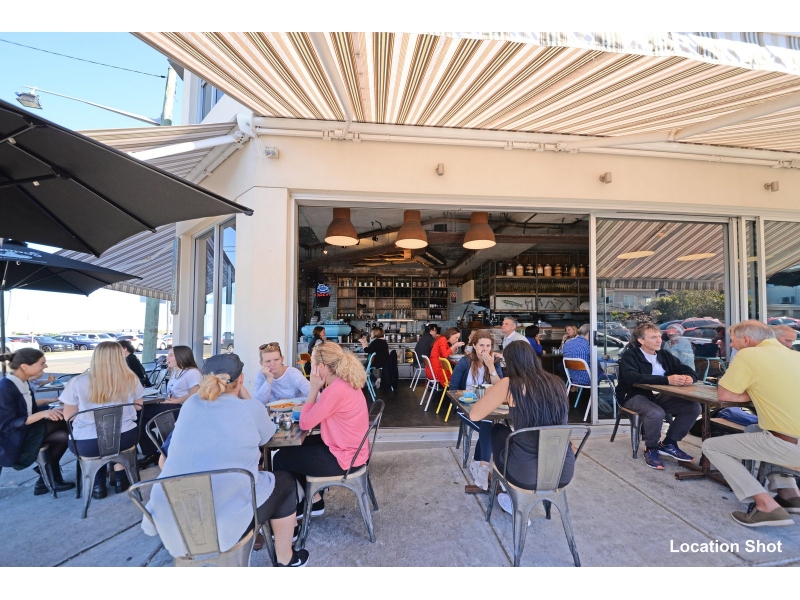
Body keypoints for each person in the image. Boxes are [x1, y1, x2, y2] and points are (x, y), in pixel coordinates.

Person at [141, 353, 309, 567]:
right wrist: (246, 397)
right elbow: (267, 436)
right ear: (241, 379)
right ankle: (285, 557)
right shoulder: (250, 408)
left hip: (174, 512)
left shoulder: (190, 404)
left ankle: (264, 536)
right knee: (284, 482)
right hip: (223, 519)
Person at [702, 321, 800, 527]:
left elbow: (725, 395)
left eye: (733, 340)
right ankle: (790, 494)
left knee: (711, 446)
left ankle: (766, 506)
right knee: (755, 429)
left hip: (790, 443)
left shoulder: (748, 355)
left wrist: (756, 392)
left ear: (746, 340)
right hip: (791, 439)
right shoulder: (795, 355)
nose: (731, 345)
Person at [470, 341, 576, 513]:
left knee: (497, 430)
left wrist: (494, 390)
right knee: (517, 436)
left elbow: (475, 415)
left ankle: (507, 493)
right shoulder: (558, 383)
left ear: (510, 363)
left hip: (524, 475)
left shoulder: (511, 384)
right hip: (562, 472)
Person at [273, 341, 369, 520]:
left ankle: (293, 510)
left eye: (313, 364)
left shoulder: (334, 391)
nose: (311, 368)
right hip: (352, 449)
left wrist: (313, 389)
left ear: (322, 367)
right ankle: (314, 499)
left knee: (281, 458)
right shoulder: (344, 383)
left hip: (345, 458)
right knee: (291, 448)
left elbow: (305, 424)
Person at [61, 342, 144, 498]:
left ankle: (97, 485)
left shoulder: (77, 382)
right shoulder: (131, 378)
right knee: (114, 440)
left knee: (97, 443)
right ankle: (120, 478)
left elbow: (68, 417)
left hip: (88, 444)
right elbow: (138, 407)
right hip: (126, 438)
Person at [616, 323, 701, 470]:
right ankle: (651, 448)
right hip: (633, 395)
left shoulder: (663, 355)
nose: (659, 340)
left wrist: (690, 377)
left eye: (659, 336)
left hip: (659, 396)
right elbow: (631, 377)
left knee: (693, 407)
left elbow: (686, 369)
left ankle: (669, 443)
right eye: (653, 337)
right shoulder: (631, 355)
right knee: (656, 412)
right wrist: (666, 380)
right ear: (641, 340)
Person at [0, 349, 75, 495]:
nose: (45, 366)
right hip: (13, 439)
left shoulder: (22, 382)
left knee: (65, 434)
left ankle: (45, 479)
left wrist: (51, 409)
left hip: (28, 430)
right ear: (24, 366)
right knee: (67, 420)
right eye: (42, 363)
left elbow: (27, 410)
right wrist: (43, 414)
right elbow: (6, 425)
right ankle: (49, 475)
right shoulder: (5, 388)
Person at [449, 330, 504, 490]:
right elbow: (453, 390)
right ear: (474, 346)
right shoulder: (465, 362)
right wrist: (465, 399)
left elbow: (501, 388)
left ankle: (480, 465)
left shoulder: (494, 363)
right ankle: (482, 466)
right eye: (481, 345)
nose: (484, 349)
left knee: (488, 423)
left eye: (488, 346)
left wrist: (491, 367)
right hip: (466, 408)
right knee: (489, 427)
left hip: (488, 408)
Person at [137, 346, 203, 469]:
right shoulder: (175, 371)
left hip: (183, 410)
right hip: (173, 405)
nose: (167, 358)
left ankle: (154, 452)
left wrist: (174, 401)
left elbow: (195, 394)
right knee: (140, 416)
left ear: (181, 356)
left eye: (171, 355)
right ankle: (154, 450)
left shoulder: (192, 372)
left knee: (140, 415)